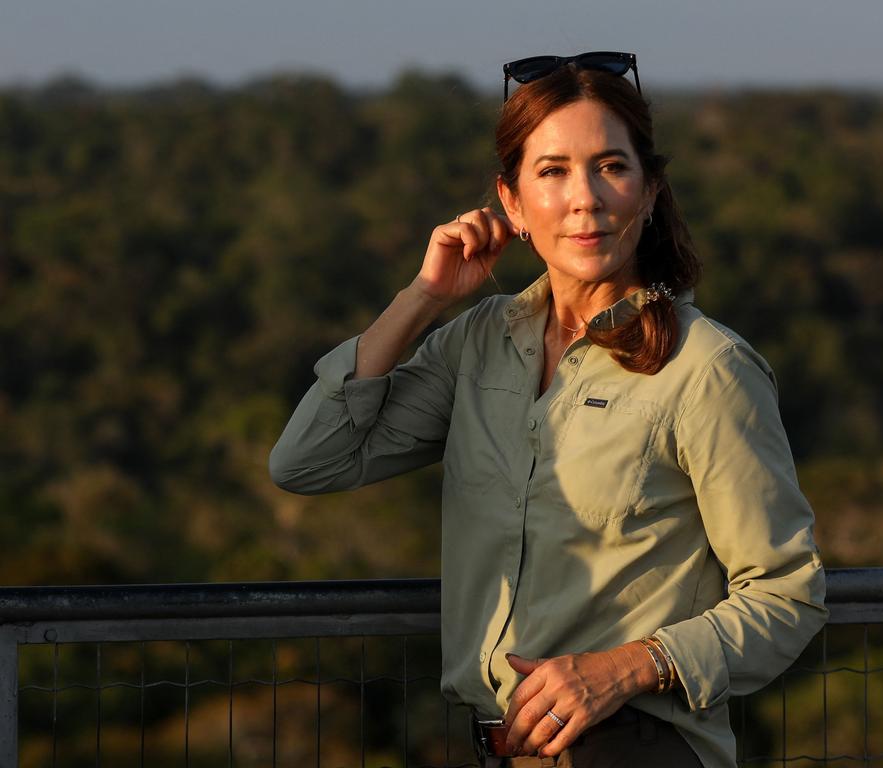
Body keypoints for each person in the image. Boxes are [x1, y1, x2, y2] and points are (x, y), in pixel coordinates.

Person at [269, 51, 828, 768]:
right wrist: (424, 299)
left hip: (637, 749)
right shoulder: (477, 343)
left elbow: (789, 595)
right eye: (554, 170)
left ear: (651, 190)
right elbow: (309, 461)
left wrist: (627, 667)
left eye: (612, 167)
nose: (585, 198)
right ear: (511, 201)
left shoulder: (706, 368)